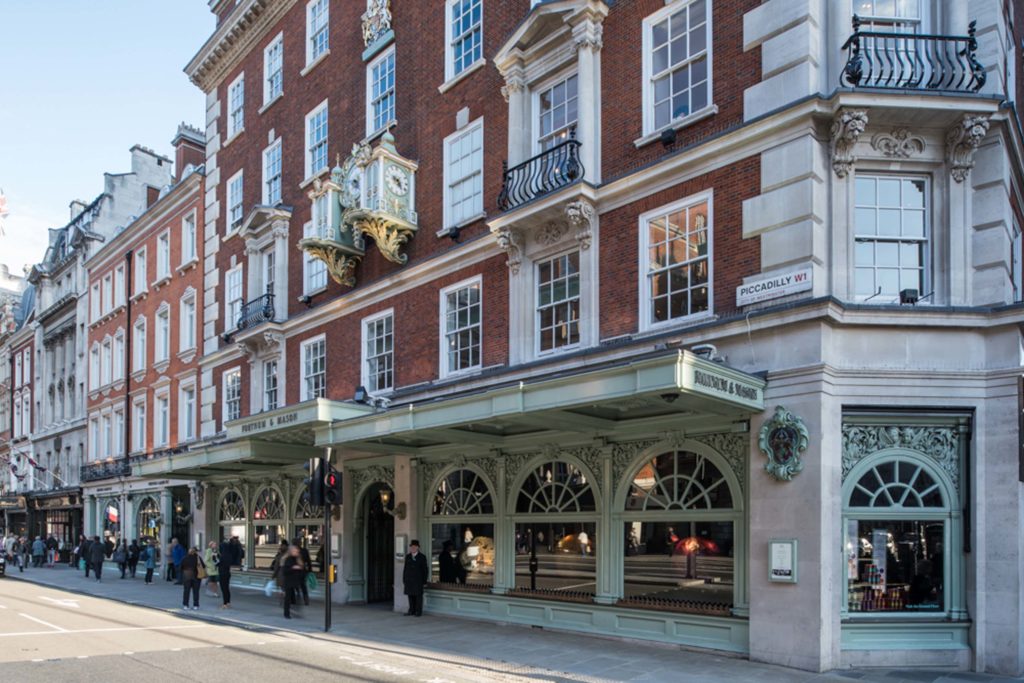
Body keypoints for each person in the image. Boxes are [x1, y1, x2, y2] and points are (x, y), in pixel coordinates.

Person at [402, 539, 429, 617]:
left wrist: (424, 581)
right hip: (409, 580)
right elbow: (405, 568)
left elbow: (425, 570)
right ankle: (411, 610)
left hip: (418, 580)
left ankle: (418, 611)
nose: (412, 548)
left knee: (418, 596)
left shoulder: (422, 557)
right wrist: (404, 579)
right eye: (411, 547)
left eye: (414, 547)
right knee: (410, 596)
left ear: (418, 548)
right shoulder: (408, 556)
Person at [280, 545, 305, 619]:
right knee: (288, 598)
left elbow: (303, 570)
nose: (297, 552)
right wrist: (293, 568)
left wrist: (301, 570)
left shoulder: (298, 559)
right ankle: (286, 613)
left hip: (296, 581)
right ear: (291, 552)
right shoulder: (288, 559)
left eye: (297, 551)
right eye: (295, 551)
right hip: (289, 581)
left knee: (297, 597)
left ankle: (295, 610)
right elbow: (285, 571)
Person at [217, 537, 236, 609]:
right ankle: (228, 602)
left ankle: (225, 603)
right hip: (227, 573)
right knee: (227, 588)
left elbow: (218, 564)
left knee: (223, 589)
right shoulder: (229, 555)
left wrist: (216, 559)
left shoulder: (222, 556)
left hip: (222, 573)